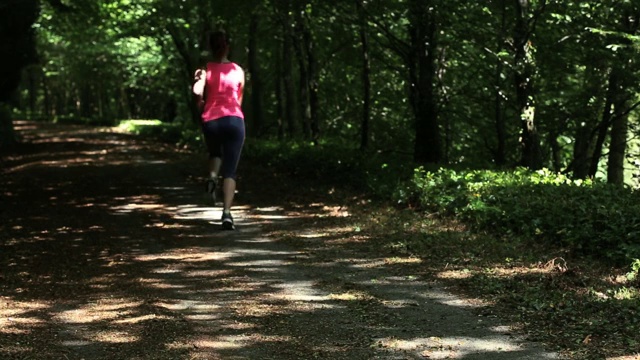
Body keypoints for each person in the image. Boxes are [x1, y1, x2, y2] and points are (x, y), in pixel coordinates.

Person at [192, 30, 245, 230]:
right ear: (227, 46)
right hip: (234, 120)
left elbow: (197, 92)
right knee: (230, 170)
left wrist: (200, 102)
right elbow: (239, 100)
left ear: (211, 48)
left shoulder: (205, 69)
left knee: (215, 152)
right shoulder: (238, 70)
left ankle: (212, 177)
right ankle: (227, 214)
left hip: (211, 120)